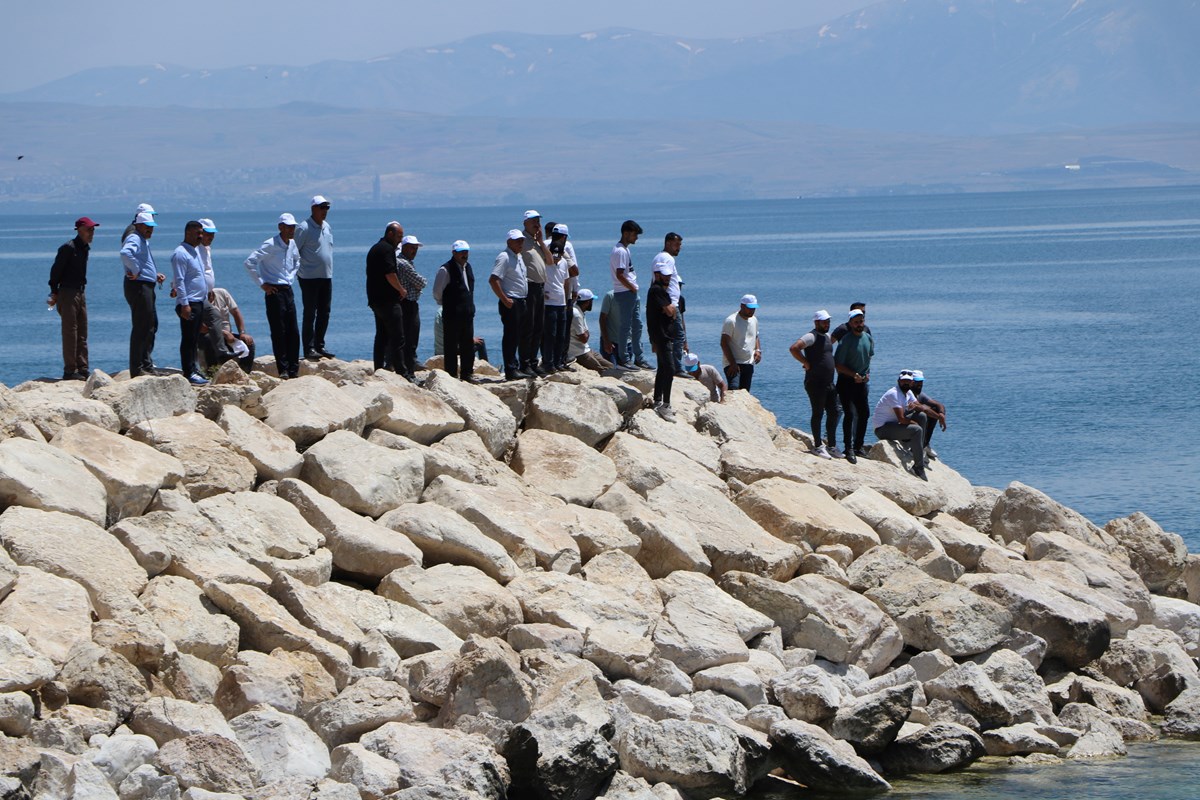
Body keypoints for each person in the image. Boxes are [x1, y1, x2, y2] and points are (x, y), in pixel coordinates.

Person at [245, 213, 302, 379]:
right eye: (288, 227)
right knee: (279, 331)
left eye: (293, 227)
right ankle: (282, 369)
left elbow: (297, 260)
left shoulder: (292, 244)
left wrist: (291, 276)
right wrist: (262, 284)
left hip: (287, 290)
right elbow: (249, 262)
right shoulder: (270, 244)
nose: (291, 230)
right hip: (274, 291)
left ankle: (294, 369)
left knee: (293, 331)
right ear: (280, 227)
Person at [48, 216, 98, 380]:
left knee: (82, 331)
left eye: (93, 230)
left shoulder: (85, 248)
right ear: (80, 230)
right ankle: (70, 370)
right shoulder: (68, 248)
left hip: (80, 292)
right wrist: (54, 292)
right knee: (70, 333)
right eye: (89, 230)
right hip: (67, 293)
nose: (92, 233)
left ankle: (82, 368)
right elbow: (55, 272)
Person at [789, 309, 842, 459]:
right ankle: (818, 446)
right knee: (818, 413)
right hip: (815, 382)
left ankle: (831, 445)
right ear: (816, 322)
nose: (827, 324)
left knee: (834, 412)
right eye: (824, 322)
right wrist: (805, 362)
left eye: (828, 322)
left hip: (829, 382)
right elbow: (794, 348)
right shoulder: (811, 336)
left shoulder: (827, 336)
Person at [120, 210, 166, 378]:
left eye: (151, 227)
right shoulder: (134, 237)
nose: (150, 230)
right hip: (138, 286)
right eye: (147, 227)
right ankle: (137, 368)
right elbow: (125, 253)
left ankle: (146, 364)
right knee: (141, 327)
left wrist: (153, 274)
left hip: (145, 284)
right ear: (138, 225)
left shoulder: (142, 239)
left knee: (150, 325)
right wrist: (136, 270)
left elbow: (141, 260)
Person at [294, 195, 335, 360]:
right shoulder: (303, 228)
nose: (325, 211)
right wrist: (297, 272)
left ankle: (320, 345)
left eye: (327, 208)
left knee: (325, 312)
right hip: (309, 278)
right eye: (321, 207)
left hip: (326, 276)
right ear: (313, 209)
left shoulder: (327, 227)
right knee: (310, 313)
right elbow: (294, 251)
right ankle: (309, 348)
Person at [366, 222, 407, 374]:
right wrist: (401, 290)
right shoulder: (387, 249)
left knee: (381, 335)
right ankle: (402, 372)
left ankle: (379, 368)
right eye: (399, 236)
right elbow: (390, 274)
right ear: (390, 234)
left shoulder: (375, 248)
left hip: (375, 300)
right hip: (388, 300)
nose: (400, 240)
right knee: (397, 337)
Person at [834, 308, 875, 463]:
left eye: (861, 321)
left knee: (864, 413)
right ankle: (848, 448)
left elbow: (868, 357)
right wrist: (853, 375)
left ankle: (858, 447)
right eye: (856, 322)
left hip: (862, 382)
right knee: (849, 414)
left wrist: (866, 374)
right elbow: (838, 364)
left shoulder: (868, 338)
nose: (859, 324)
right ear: (850, 323)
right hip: (846, 382)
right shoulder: (845, 341)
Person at [432, 239, 477, 381]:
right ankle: (451, 376)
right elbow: (437, 291)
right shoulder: (445, 269)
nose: (464, 255)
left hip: (467, 313)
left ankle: (467, 374)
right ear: (454, 253)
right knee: (451, 346)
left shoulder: (468, 267)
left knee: (467, 345)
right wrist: (445, 303)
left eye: (466, 252)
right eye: (461, 252)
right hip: (452, 314)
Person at [172, 221, 210, 385]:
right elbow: (179, 280)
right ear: (188, 233)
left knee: (195, 339)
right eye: (197, 233)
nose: (200, 236)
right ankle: (188, 372)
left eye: (201, 233)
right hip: (189, 303)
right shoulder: (181, 253)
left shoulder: (194, 252)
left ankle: (194, 368)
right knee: (188, 339)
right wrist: (184, 304)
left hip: (198, 301)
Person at [873, 370, 929, 480]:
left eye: (908, 381)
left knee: (922, 416)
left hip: (893, 424)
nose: (906, 383)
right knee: (917, 429)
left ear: (912, 383)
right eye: (903, 381)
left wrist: (917, 407)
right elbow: (902, 419)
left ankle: (915, 451)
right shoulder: (894, 393)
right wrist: (914, 422)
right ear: (898, 381)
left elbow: (922, 408)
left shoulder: (908, 393)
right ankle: (919, 467)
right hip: (882, 429)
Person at [610, 219, 650, 369]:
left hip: (630, 292)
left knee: (637, 325)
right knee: (625, 327)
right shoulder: (620, 250)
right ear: (626, 233)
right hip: (625, 292)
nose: (636, 238)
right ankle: (624, 358)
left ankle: (638, 357)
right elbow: (619, 274)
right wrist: (632, 287)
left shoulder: (625, 249)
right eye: (634, 235)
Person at [489, 229, 529, 381]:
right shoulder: (504, 257)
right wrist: (505, 299)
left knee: (518, 335)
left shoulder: (518, 257)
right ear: (509, 242)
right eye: (517, 240)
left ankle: (516, 365)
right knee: (511, 336)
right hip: (511, 301)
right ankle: (510, 369)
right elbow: (494, 279)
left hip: (521, 300)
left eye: (521, 240)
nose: (520, 243)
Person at [519, 210, 555, 375]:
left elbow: (550, 261)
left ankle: (534, 362)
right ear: (525, 223)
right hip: (529, 287)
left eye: (538, 221)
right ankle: (525, 363)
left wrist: (541, 242)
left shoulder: (537, 242)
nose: (537, 224)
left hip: (540, 288)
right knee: (529, 327)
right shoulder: (521, 240)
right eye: (533, 221)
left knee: (538, 327)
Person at [645, 258, 678, 421]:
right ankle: (665, 405)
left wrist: (670, 310)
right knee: (670, 369)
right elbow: (670, 310)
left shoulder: (658, 291)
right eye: (664, 275)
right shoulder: (657, 290)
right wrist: (670, 310)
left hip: (661, 335)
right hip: (662, 335)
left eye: (669, 275)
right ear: (657, 275)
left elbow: (671, 310)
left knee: (663, 368)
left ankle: (658, 400)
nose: (668, 278)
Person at [652, 233, 687, 375]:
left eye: (679, 245)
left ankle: (669, 366)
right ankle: (677, 368)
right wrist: (667, 304)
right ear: (668, 243)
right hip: (670, 304)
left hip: (667, 302)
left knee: (668, 336)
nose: (679, 248)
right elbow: (662, 280)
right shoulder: (667, 258)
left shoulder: (659, 257)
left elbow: (655, 280)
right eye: (676, 245)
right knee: (678, 336)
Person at [200, 285, 255, 373]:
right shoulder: (197, 300)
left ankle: (245, 372)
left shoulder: (221, 293)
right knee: (208, 340)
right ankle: (212, 372)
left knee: (248, 342)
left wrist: (242, 332)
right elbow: (201, 327)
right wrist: (222, 333)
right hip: (207, 334)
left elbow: (236, 312)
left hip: (228, 335)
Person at [394, 234, 427, 380]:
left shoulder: (405, 262)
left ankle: (406, 370)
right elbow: (421, 282)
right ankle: (409, 373)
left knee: (407, 339)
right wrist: (419, 284)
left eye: (416, 248)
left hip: (407, 303)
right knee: (410, 340)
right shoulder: (403, 263)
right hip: (408, 304)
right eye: (412, 248)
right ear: (404, 247)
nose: (415, 251)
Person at [547, 222, 580, 367]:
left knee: (548, 333)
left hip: (549, 297)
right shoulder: (565, 247)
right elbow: (574, 272)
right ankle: (560, 360)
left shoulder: (543, 244)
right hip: (560, 297)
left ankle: (550, 361)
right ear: (564, 237)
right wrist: (574, 290)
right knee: (561, 333)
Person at [542, 227, 571, 372]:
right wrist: (542, 293)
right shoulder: (546, 264)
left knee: (561, 334)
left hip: (561, 302)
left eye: (558, 255)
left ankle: (559, 361)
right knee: (550, 335)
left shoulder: (564, 263)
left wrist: (567, 299)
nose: (556, 258)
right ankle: (548, 362)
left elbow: (566, 281)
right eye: (554, 255)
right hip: (549, 303)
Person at [721, 294, 762, 391]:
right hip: (733, 363)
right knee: (734, 389)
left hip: (748, 363)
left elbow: (755, 336)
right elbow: (724, 343)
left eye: (754, 308)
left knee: (745, 392)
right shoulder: (731, 321)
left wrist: (758, 350)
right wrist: (732, 363)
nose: (752, 311)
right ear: (742, 306)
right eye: (750, 308)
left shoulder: (754, 320)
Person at [567, 289, 612, 372]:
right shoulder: (576, 314)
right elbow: (584, 339)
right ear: (587, 302)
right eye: (592, 301)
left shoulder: (580, 311)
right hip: (578, 353)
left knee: (611, 366)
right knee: (602, 370)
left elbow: (585, 335)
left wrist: (586, 333)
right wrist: (586, 333)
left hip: (585, 349)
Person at [908, 369, 947, 461]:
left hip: (915, 425)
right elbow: (923, 408)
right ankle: (917, 448)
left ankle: (925, 445)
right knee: (924, 414)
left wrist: (941, 414)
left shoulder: (920, 394)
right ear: (911, 382)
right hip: (905, 425)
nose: (919, 385)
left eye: (921, 382)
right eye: (916, 382)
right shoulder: (908, 394)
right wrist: (938, 417)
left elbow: (938, 404)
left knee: (935, 409)